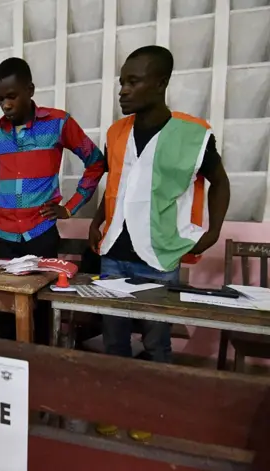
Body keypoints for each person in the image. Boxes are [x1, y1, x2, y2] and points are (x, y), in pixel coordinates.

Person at [88, 46, 230, 440]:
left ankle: (150, 413)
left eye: (133, 82)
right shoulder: (116, 133)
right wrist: (98, 221)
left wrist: (214, 229)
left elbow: (220, 182)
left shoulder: (193, 134)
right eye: (122, 82)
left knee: (156, 342)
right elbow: (115, 184)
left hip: (159, 254)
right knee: (113, 339)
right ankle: (117, 408)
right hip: (114, 253)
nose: (123, 90)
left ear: (161, 83)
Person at [0, 57, 105, 343]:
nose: (6, 105)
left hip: (41, 235)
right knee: (4, 307)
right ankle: (5, 368)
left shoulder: (58, 123)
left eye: (12, 96)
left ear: (30, 89)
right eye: (0, 98)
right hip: (5, 235)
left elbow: (95, 162)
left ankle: (39, 368)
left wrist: (70, 207)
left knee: (41, 308)